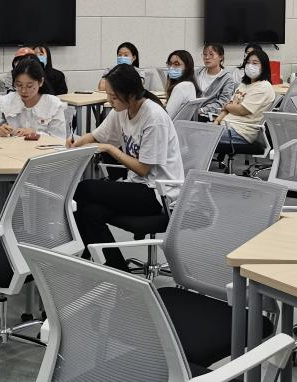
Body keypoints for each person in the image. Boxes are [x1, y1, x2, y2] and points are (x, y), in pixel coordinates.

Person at [70, 64, 183, 271]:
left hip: (159, 194)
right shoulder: (122, 110)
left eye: (113, 97)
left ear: (130, 95)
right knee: (89, 212)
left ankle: (87, 261)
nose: (109, 101)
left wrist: (110, 149)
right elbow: (96, 136)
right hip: (137, 186)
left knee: (83, 189)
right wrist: (75, 144)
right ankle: (118, 272)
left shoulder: (153, 117)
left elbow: (143, 169)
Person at [0, 59, 67, 139]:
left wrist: (36, 133)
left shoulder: (53, 105)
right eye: (19, 85)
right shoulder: (8, 100)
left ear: (41, 82)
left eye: (29, 86)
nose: (23, 90)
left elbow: (59, 138)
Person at [214, 49, 275, 150]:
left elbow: (242, 110)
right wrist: (217, 121)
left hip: (241, 132)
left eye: (255, 63)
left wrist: (227, 106)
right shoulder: (244, 85)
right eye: (248, 62)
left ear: (264, 67)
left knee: (198, 137)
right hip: (225, 126)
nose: (250, 66)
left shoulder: (263, 87)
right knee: (196, 132)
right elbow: (229, 107)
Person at [198, 50, 240, 122]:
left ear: (221, 57)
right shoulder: (197, 73)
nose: (207, 57)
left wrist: (203, 110)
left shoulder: (227, 78)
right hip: (192, 112)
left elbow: (224, 102)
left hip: (209, 116)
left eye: (211, 54)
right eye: (205, 54)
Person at [163, 50, 201, 120]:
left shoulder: (181, 87)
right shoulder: (190, 84)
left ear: (187, 67)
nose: (171, 67)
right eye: (170, 64)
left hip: (172, 126)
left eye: (176, 64)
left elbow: (166, 118)